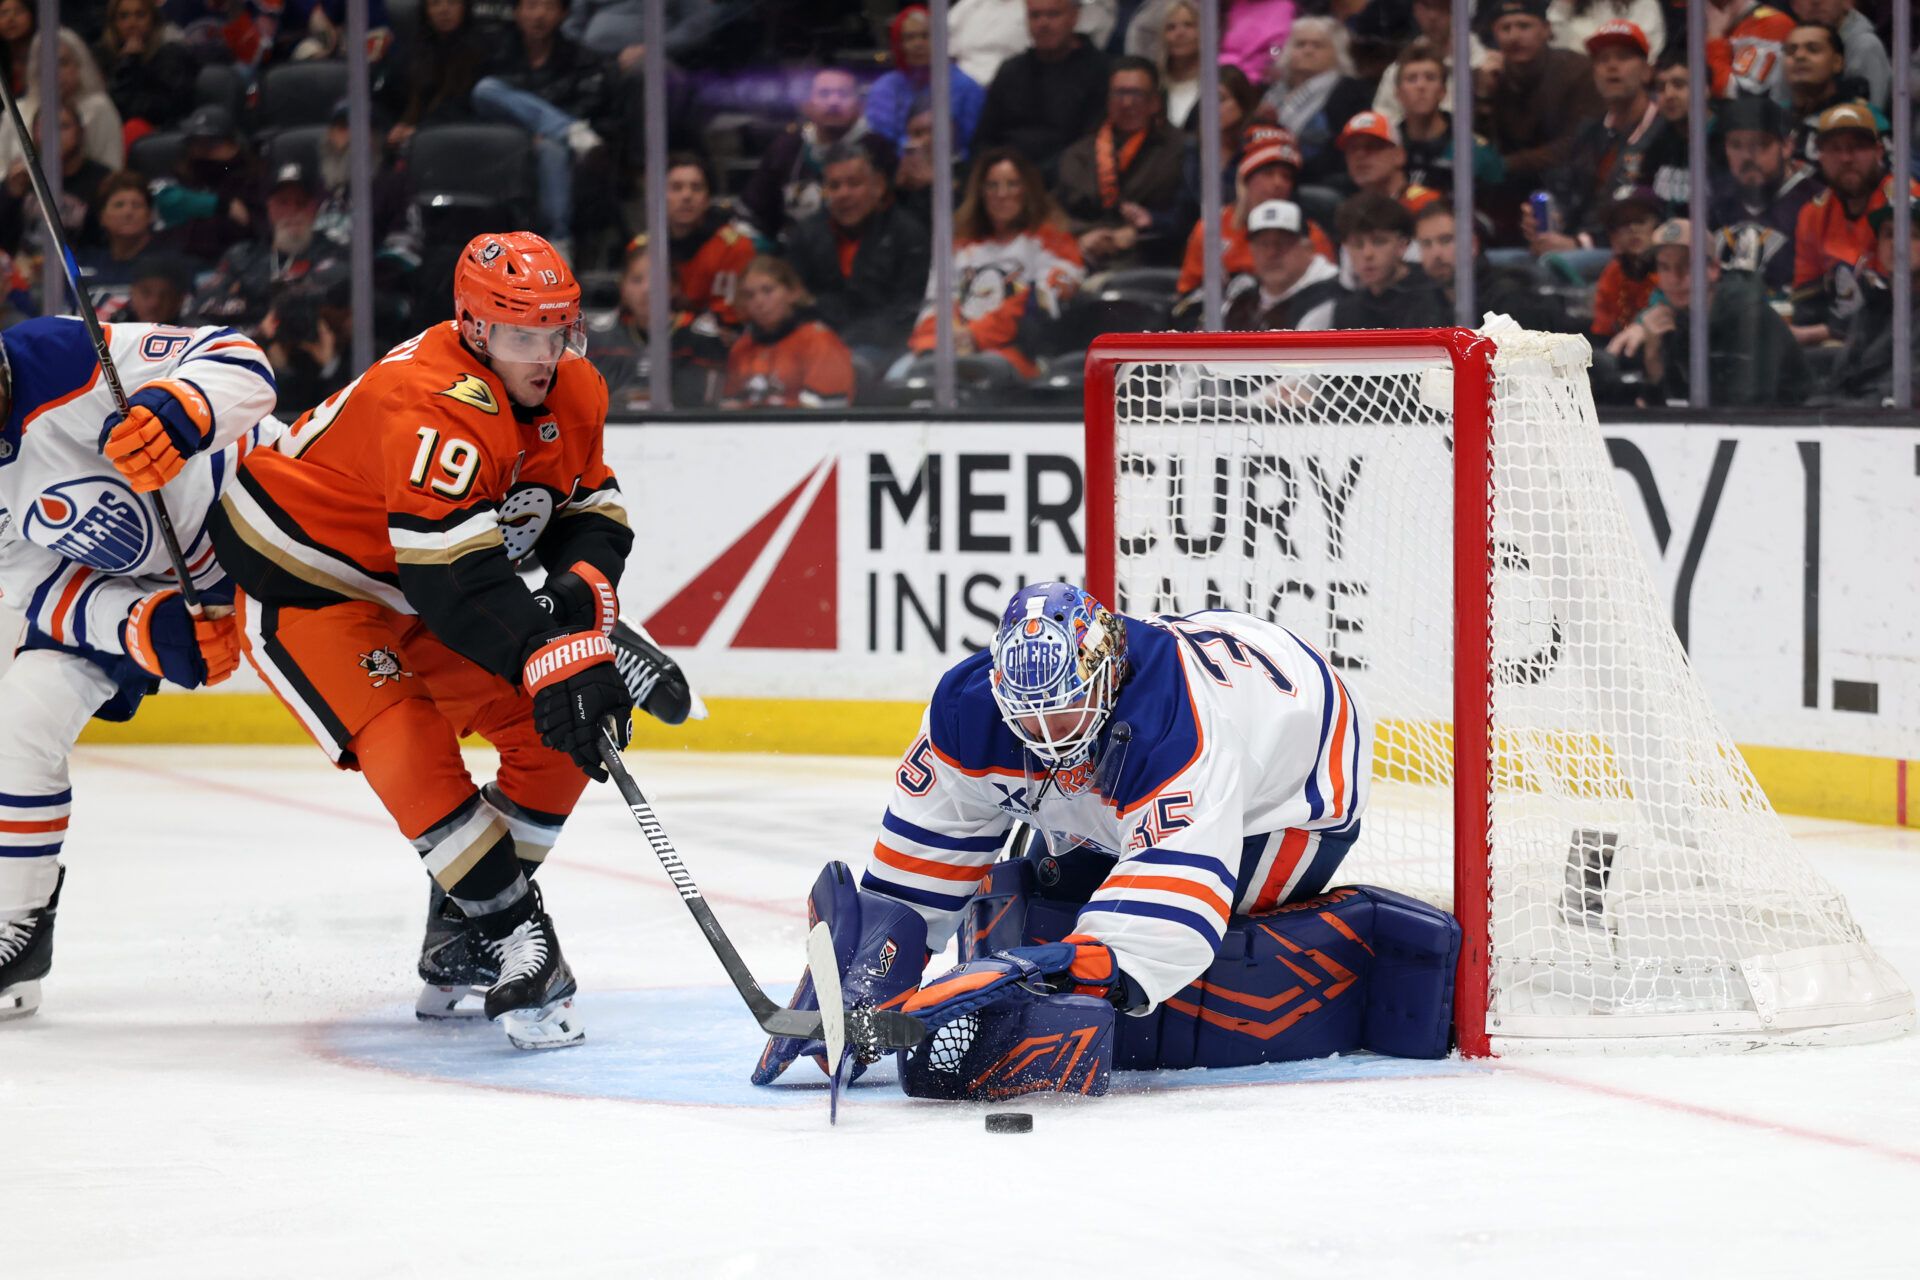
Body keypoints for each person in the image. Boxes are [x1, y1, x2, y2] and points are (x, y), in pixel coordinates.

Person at [751, 582, 1460, 1100]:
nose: (1050, 741)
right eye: (1030, 721)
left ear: (1109, 675)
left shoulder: (1178, 726)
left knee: (1153, 960)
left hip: (1294, 785)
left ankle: (1338, 966)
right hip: (1180, 753)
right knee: (1036, 896)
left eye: (1066, 715)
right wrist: (873, 962)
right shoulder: (971, 712)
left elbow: (1164, 921)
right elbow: (924, 858)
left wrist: (1057, 968)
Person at [207, 232, 635, 1050]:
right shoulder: (432, 402)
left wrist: (579, 598)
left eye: (559, 331)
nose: (546, 355)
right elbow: (460, 582)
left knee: (559, 738)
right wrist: (550, 650)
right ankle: (517, 936)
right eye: (521, 336)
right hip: (312, 582)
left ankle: (462, 929)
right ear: (474, 329)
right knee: (407, 739)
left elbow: (591, 509)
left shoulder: (574, 387)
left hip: (420, 590)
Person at [0, 315, 278, 1021]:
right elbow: (38, 585)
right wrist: (138, 626)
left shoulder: (60, 356)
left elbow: (239, 360)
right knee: (21, 723)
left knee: (397, 687)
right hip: (147, 584)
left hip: (272, 521)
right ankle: (16, 930)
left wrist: (182, 409)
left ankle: (474, 904)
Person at [898, 147, 1084, 384]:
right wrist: (940, 339)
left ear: (1028, 190)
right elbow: (936, 301)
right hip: (949, 347)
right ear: (981, 192)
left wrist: (975, 335)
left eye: (1012, 184)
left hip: (1017, 353)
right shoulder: (959, 246)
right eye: (992, 185)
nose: (1002, 194)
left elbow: (1039, 302)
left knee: (978, 371)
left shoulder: (1054, 242)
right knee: (902, 373)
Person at [471, 0, 621, 258]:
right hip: (512, 142)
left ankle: (559, 242)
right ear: (516, 13)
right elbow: (486, 109)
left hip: (558, 148)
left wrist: (545, 131)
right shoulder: (498, 55)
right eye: (530, 6)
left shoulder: (579, 58)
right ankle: (569, 131)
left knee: (552, 149)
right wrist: (532, 133)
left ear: (563, 14)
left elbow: (590, 103)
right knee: (486, 90)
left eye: (548, 7)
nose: (539, 15)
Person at [784, 139, 930, 375]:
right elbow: (797, 302)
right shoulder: (806, 235)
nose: (843, 194)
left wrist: (845, 329)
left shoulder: (908, 234)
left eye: (854, 183)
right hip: (817, 345)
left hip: (886, 350)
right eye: (834, 185)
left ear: (879, 186)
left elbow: (907, 311)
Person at [1639, 217, 1809, 406]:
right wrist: (1653, 357)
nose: (1675, 278)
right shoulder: (1673, 323)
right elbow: (1666, 410)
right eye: (1664, 267)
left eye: (1686, 265)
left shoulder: (1750, 318)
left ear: (1713, 268)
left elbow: (1749, 409)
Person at [1054, 56, 1190, 271]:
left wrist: (1140, 231)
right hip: (1084, 257)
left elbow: (1188, 216)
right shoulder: (1078, 154)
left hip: (1152, 259)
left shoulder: (1180, 149)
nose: (1127, 103)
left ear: (1155, 101)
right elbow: (1058, 213)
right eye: (1119, 93)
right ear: (1107, 99)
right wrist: (1085, 235)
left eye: (1136, 94)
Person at [1537, 20, 1663, 251]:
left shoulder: (1663, 132)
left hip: (1627, 252)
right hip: (1573, 243)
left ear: (1647, 72)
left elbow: (1652, 215)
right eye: (1603, 59)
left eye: (1623, 57)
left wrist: (1579, 244)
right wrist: (1550, 217)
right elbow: (1565, 190)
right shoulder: (1589, 131)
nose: (1611, 66)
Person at [188, 161, 349, 335]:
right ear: (269, 208)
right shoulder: (242, 255)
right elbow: (203, 305)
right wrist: (259, 320)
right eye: (283, 202)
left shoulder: (334, 253)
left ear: (314, 208)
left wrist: (247, 298)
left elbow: (315, 306)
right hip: (244, 348)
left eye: (301, 203)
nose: (292, 211)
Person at [1176, 126, 1336, 300]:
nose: (1278, 183)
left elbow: (1327, 295)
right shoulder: (1211, 229)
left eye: (1286, 176)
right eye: (1268, 173)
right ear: (1245, 179)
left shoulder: (1311, 236)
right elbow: (1187, 295)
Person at [1473, 0, 1604, 196]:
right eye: (1505, 28)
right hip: (1507, 188)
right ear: (1494, 34)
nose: (1514, 37)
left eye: (1524, 26)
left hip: (1570, 185)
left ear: (1546, 29)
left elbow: (1578, 143)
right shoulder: (1489, 77)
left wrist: (1508, 164)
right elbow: (1482, 149)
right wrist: (1483, 97)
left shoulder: (1577, 70)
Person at [1790, 103, 1895, 345]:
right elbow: (1806, 300)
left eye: (1857, 147)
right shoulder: (1812, 214)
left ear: (1879, 152)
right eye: (1835, 149)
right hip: (1837, 343)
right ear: (1820, 156)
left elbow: (1900, 303)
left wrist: (1827, 332)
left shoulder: (1903, 205)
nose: (1846, 158)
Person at [973, 0, 1110, 182]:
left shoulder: (1101, 71)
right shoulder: (1010, 71)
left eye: (1053, 15)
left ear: (1074, 17)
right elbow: (984, 138)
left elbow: (1088, 145)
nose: (1043, 24)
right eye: (1035, 16)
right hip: (1002, 181)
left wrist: (1029, 180)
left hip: (1065, 183)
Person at [587, 237, 728, 411]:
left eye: (656, 279)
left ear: (674, 287)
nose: (646, 289)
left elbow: (704, 407)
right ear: (622, 288)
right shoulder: (599, 338)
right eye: (637, 280)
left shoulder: (701, 338)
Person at [740, 66, 869, 243]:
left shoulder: (877, 149)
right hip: (794, 259)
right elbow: (756, 214)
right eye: (824, 94)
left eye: (843, 94)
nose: (833, 102)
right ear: (807, 105)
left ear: (859, 106)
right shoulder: (785, 149)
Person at [1709, 95, 1817, 294]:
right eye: (1736, 145)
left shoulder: (1815, 203)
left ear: (1786, 146)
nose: (1747, 157)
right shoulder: (1716, 204)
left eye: (1759, 144)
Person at [1413, 202, 1577, 332]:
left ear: (1473, 244)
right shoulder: (1421, 301)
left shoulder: (1508, 298)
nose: (1436, 253)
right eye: (1426, 244)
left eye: (1446, 240)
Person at [721, 255, 855, 409]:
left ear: (793, 292)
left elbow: (824, 412)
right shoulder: (742, 347)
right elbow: (729, 407)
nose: (759, 302)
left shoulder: (820, 342)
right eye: (750, 295)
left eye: (768, 291)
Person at [1826, 196, 1920, 404]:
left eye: (1912, 235)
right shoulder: (1872, 308)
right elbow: (1841, 378)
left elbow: (1910, 388)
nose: (1897, 243)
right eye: (1889, 234)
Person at [1261, 16, 1372, 186]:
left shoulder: (1349, 91)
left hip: (1322, 180)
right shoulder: (1274, 92)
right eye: (1300, 44)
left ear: (1337, 53)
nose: (1308, 50)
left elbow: (1343, 150)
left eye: (1317, 45)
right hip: (1271, 173)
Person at [865, 6, 986, 159]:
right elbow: (881, 144)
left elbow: (974, 143)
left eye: (926, 36)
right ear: (898, 44)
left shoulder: (967, 88)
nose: (918, 44)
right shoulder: (883, 89)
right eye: (909, 38)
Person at [0, 103, 110, 268]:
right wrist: (11, 196)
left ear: (80, 133)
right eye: (46, 127)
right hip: (20, 275)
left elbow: (106, 243)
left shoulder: (101, 180)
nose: (54, 135)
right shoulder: (21, 177)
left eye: (63, 127)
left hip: (78, 275)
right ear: (34, 134)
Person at [156, 104, 265, 270]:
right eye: (196, 143)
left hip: (234, 266)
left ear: (234, 145)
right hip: (176, 266)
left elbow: (255, 228)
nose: (202, 151)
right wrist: (221, 205)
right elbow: (161, 202)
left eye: (211, 145)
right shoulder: (181, 174)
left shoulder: (252, 179)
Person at [2, 28, 124, 175]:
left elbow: (112, 169)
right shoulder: (16, 112)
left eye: (63, 63)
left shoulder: (99, 107)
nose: (54, 72)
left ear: (79, 67)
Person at [1392, 39, 1503, 197]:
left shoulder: (1474, 152)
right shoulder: (1387, 150)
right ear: (1398, 94)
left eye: (1430, 78)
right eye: (1411, 79)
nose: (1421, 86)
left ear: (1443, 91)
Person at [662, 152, 759, 328]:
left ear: (707, 198)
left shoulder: (735, 248)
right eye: (676, 187)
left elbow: (732, 321)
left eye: (696, 187)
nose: (687, 196)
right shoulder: (644, 249)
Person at [1330, 191, 1451, 329]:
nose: (1367, 254)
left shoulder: (1435, 294)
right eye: (1357, 245)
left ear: (1402, 245)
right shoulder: (1347, 310)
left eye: (1379, 242)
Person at [1223, 197, 1343, 329]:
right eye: (1263, 244)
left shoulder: (1335, 299)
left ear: (1308, 249)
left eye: (1282, 243)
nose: (1271, 253)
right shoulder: (1242, 301)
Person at [385, 0, 488, 148]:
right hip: (412, 134)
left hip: (454, 137)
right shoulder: (416, 49)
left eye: (452, 3)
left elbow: (464, 108)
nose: (443, 10)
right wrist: (397, 127)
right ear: (426, 11)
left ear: (464, 7)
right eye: (435, 4)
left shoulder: (481, 50)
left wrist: (421, 131)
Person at [1371, 0, 1491, 125]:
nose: (1433, 16)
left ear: (1459, 11)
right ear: (1416, 10)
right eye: (1427, 6)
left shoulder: (1486, 64)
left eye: (1442, 7)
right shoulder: (1398, 69)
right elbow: (1383, 122)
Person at [93, 0, 195, 133]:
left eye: (140, 15)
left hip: (162, 132)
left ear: (153, 19)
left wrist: (130, 64)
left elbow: (158, 110)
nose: (132, 24)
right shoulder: (104, 55)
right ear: (114, 23)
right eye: (123, 16)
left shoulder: (172, 54)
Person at [1782, 21, 1865, 164]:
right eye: (1791, 51)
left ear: (1837, 62)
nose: (1799, 56)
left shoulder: (1864, 119)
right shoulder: (1773, 116)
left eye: (1813, 49)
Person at [1588, 187, 1662, 342]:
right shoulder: (1614, 272)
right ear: (1613, 236)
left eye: (1640, 220)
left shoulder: (1669, 271)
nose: (1633, 229)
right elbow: (1602, 329)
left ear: (1657, 227)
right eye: (1623, 223)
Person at [1334, 111, 1444, 213]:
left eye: (1372, 146)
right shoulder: (1349, 212)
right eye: (1352, 148)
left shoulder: (1427, 204)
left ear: (1399, 155)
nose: (1360, 155)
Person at [1790, 0, 1888, 112]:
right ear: (1794, 5)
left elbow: (1870, 119)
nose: (1815, 2)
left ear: (1847, 2)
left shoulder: (1865, 47)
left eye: (1813, 49)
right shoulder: (1789, 48)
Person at [1705, 0, 1795, 101]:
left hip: (1756, 113)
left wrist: (1715, 39)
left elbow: (1742, 91)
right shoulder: (1697, 26)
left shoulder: (1771, 22)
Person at [947, 0, 1031, 88]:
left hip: (1011, 82)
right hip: (963, 80)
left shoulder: (1028, 8)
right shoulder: (969, 4)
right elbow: (941, 37)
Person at [1544, 0, 1664, 58]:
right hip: (1577, 80)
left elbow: (1648, 54)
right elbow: (1550, 41)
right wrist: (1566, 3)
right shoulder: (1570, 6)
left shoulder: (1643, 4)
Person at [1154, 0, 1201, 130]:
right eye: (1171, 27)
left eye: (1189, 25)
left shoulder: (1220, 81)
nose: (1180, 33)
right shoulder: (1153, 84)